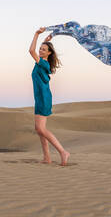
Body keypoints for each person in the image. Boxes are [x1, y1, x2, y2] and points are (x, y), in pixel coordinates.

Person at [29, 27, 70, 166]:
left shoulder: (43, 64)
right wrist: (46, 40)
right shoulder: (41, 63)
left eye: (43, 50)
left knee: (41, 129)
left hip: (43, 99)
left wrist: (36, 34)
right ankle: (47, 157)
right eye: (40, 49)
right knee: (39, 129)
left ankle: (63, 152)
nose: (40, 51)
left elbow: (30, 51)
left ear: (49, 53)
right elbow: (38, 51)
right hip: (40, 98)